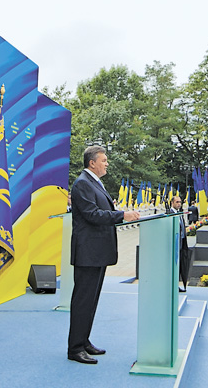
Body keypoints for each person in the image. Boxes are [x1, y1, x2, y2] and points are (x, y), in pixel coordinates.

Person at [68, 146, 140, 365]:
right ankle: (75, 348)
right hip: (88, 253)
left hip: (97, 252)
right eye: (104, 160)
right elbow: (92, 214)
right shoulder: (82, 183)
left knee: (91, 300)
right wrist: (122, 215)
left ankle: (84, 340)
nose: (107, 163)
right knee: (83, 301)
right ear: (92, 163)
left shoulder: (94, 183)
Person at [168, 196, 191, 292]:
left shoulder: (179, 213)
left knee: (180, 266)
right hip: (173, 244)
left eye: (180, 202)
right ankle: (171, 287)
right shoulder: (169, 213)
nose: (179, 204)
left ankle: (177, 285)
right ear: (172, 202)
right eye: (177, 202)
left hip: (181, 244)